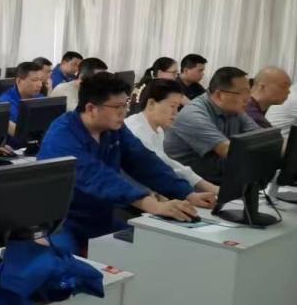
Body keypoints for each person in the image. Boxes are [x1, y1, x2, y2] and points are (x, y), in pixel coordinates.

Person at [38, 73, 207, 256]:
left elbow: (143, 160)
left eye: (125, 104)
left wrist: (187, 193)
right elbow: (98, 177)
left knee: (148, 247)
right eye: (117, 107)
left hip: (100, 216)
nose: (124, 112)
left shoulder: (113, 129)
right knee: (64, 261)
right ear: (91, 108)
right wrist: (153, 205)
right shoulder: (62, 137)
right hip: (61, 221)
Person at [163, 66, 260, 183]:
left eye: (249, 92)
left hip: (219, 180)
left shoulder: (236, 110)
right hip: (187, 185)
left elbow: (261, 138)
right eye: (243, 93)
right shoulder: (194, 114)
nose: (248, 99)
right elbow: (229, 151)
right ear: (219, 95)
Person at [125, 80, 220, 198]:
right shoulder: (136, 131)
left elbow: (166, 164)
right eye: (172, 106)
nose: (176, 113)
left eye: (178, 107)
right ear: (151, 103)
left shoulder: (158, 129)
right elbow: (163, 165)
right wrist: (196, 191)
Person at [0, 62, 44, 145]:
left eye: (41, 80)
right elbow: (20, 131)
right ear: (19, 81)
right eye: (34, 80)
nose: (40, 85)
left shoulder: (40, 97)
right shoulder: (6, 101)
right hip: (16, 147)